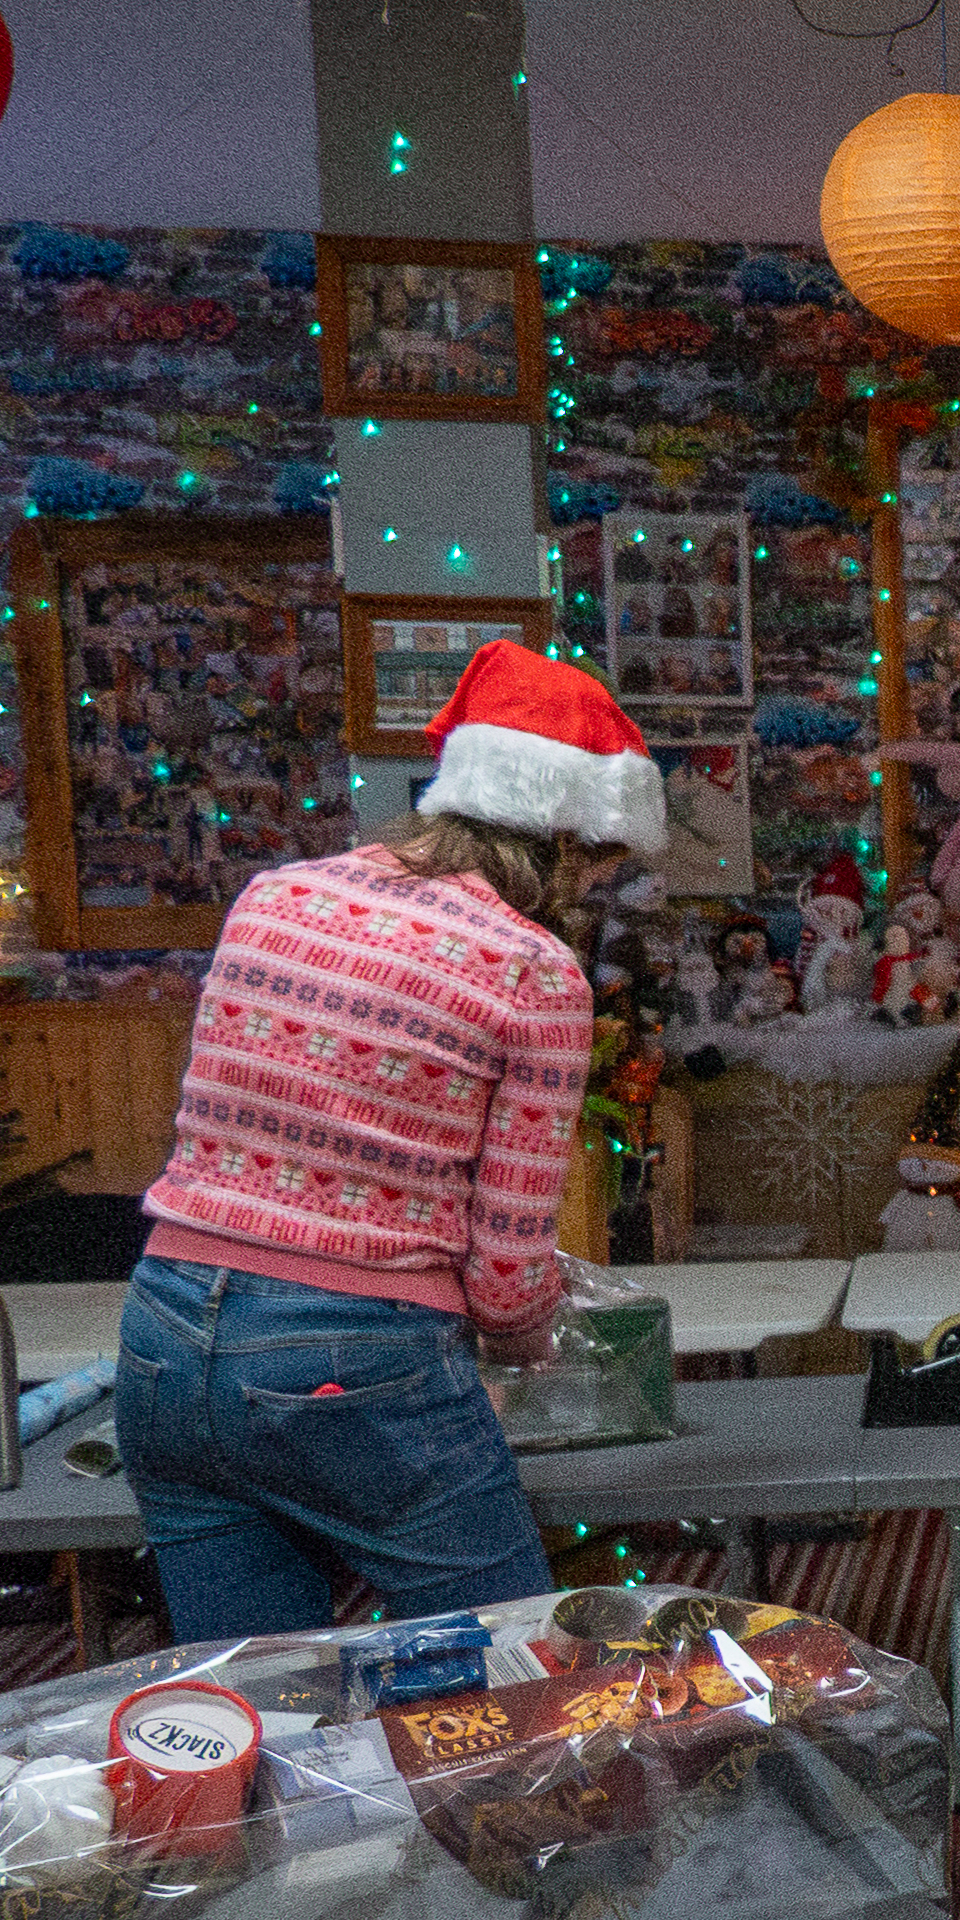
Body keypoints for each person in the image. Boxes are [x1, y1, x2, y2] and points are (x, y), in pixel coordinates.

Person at [115, 642, 634, 1639]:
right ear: (564, 839)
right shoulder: (534, 970)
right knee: (506, 1675)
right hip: (357, 1356)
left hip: (165, 1335)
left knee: (250, 1705)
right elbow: (510, 1268)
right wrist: (531, 1342)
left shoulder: (273, 896)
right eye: (596, 867)